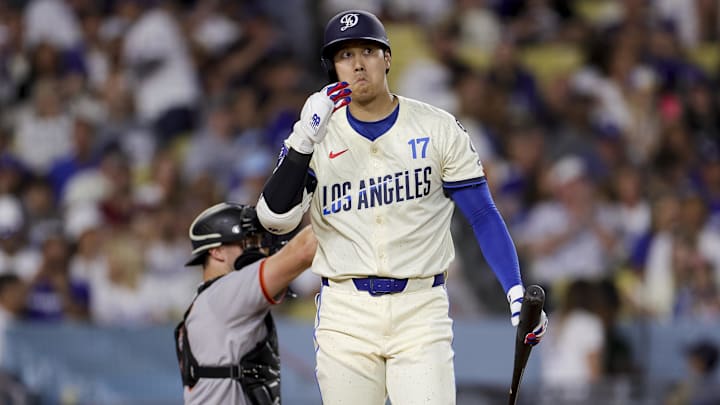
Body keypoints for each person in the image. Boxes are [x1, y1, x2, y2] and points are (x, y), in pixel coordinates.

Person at [256, 10, 548, 404]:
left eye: (367, 51)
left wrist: (514, 287)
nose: (357, 64)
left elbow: (481, 213)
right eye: (344, 55)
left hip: (420, 307)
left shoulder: (437, 126)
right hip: (346, 311)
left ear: (387, 57)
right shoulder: (317, 134)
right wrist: (303, 141)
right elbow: (273, 219)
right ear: (332, 67)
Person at [174, 202, 317, 404]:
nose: (259, 250)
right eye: (248, 242)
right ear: (217, 252)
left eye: (259, 241)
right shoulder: (225, 293)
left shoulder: (209, 300)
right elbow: (303, 250)